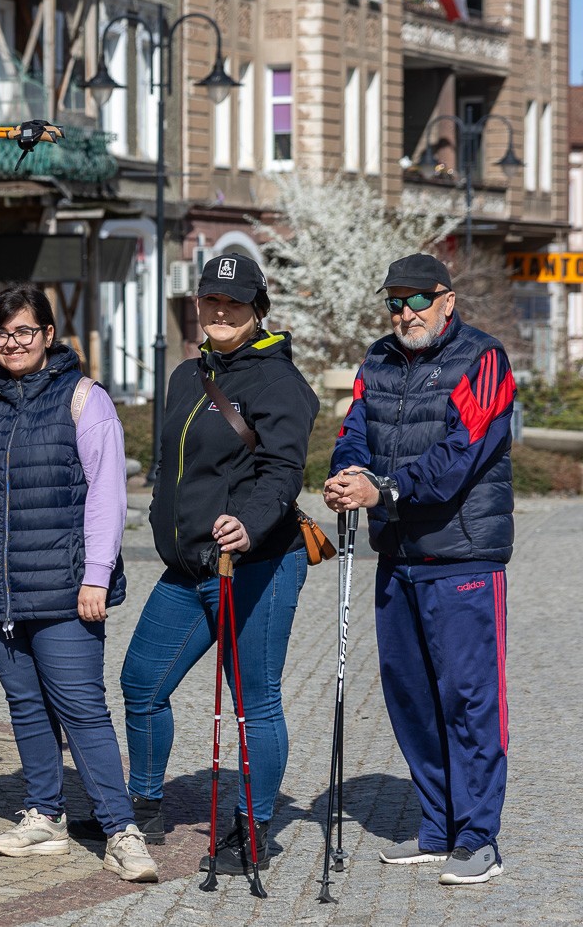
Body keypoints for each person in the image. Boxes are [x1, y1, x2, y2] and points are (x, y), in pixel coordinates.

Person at [0, 285, 157, 883]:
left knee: (82, 708)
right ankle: (44, 816)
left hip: (65, 588)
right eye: (3, 333)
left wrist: (96, 576)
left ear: (49, 335)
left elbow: (108, 499)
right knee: (26, 705)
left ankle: (121, 829)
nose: (13, 344)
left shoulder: (86, 400)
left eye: (25, 333)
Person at [120, 253, 318, 875]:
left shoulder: (279, 382)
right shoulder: (187, 376)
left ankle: (253, 828)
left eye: (235, 302)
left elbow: (282, 472)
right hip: (189, 568)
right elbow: (170, 465)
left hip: (256, 564)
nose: (222, 311)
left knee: (254, 702)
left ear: (257, 307)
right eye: (211, 300)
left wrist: (248, 523)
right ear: (198, 304)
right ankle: (145, 804)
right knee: (141, 683)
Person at [323, 253, 513, 886]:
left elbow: (463, 453)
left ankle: (479, 838)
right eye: (394, 302)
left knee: (468, 698)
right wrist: (349, 474)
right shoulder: (377, 359)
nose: (404, 313)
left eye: (416, 301)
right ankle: (439, 828)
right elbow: (354, 430)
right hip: (397, 555)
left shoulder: (483, 359)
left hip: (462, 557)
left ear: (447, 300)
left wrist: (388, 491)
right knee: (411, 698)